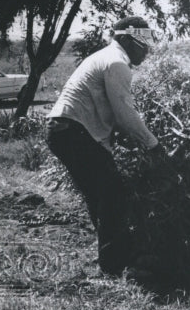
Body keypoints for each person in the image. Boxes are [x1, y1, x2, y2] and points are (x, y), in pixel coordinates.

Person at [46, 16, 165, 276]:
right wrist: (153, 145)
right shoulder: (116, 63)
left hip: (64, 131)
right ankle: (115, 264)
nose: (145, 51)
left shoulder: (104, 57)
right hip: (73, 132)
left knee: (100, 196)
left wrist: (127, 138)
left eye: (147, 45)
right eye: (140, 44)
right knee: (114, 194)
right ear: (124, 38)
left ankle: (112, 259)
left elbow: (110, 114)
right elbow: (125, 114)